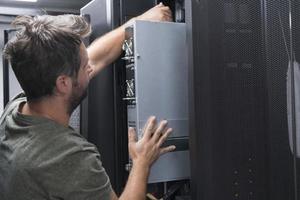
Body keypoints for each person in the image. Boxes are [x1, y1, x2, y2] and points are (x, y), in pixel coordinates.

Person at [0, 3, 175, 200]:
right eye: (84, 67)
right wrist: (141, 162)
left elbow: (95, 58)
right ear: (63, 83)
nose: (90, 68)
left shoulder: (15, 110)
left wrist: (137, 23)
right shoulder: (67, 157)